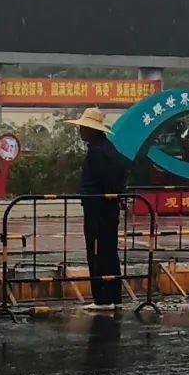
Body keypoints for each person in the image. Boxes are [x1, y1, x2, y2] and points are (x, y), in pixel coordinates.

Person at [69, 106, 127, 308]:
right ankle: (114, 296)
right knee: (109, 251)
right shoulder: (110, 149)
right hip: (108, 209)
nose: (81, 131)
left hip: (98, 209)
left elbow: (103, 179)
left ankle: (102, 298)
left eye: (84, 128)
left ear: (92, 130)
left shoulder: (97, 153)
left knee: (96, 252)